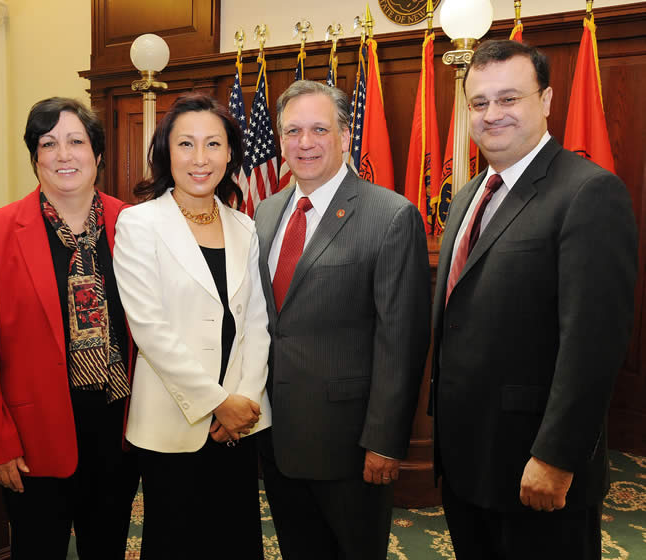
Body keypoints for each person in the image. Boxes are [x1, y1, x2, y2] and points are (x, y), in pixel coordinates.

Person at [432, 40, 638, 560]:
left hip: (536, 466)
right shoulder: (466, 196)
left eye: (509, 99)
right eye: (479, 103)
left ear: (546, 100)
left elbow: (592, 345)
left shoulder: (589, 193)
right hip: (465, 459)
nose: (491, 114)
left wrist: (557, 457)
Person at [252, 80, 431, 560]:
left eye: (318, 129)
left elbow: (402, 340)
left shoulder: (391, 215)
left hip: (350, 445)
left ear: (347, 135)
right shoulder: (266, 213)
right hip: (276, 435)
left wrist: (385, 443)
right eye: (292, 131)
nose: (304, 143)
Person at [0, 98, 139, 559]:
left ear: (98, 155)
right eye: (49, 143)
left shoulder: (135, 225)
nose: (64, 155)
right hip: (32, 439)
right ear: (34, 157)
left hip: (118, 431)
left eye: (77, 141)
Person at [112, 92, 271, 559]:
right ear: (165, 152)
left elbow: (257, 325)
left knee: (235, 541)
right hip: (173, 422)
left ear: (230, 153)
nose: (200, 159)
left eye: (213, 144)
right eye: (186, 144)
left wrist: (244, 400)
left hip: (238, 424)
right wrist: (217, 403)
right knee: (176, 543)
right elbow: (150, 330)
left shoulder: (244, 226)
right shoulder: (139, 224)